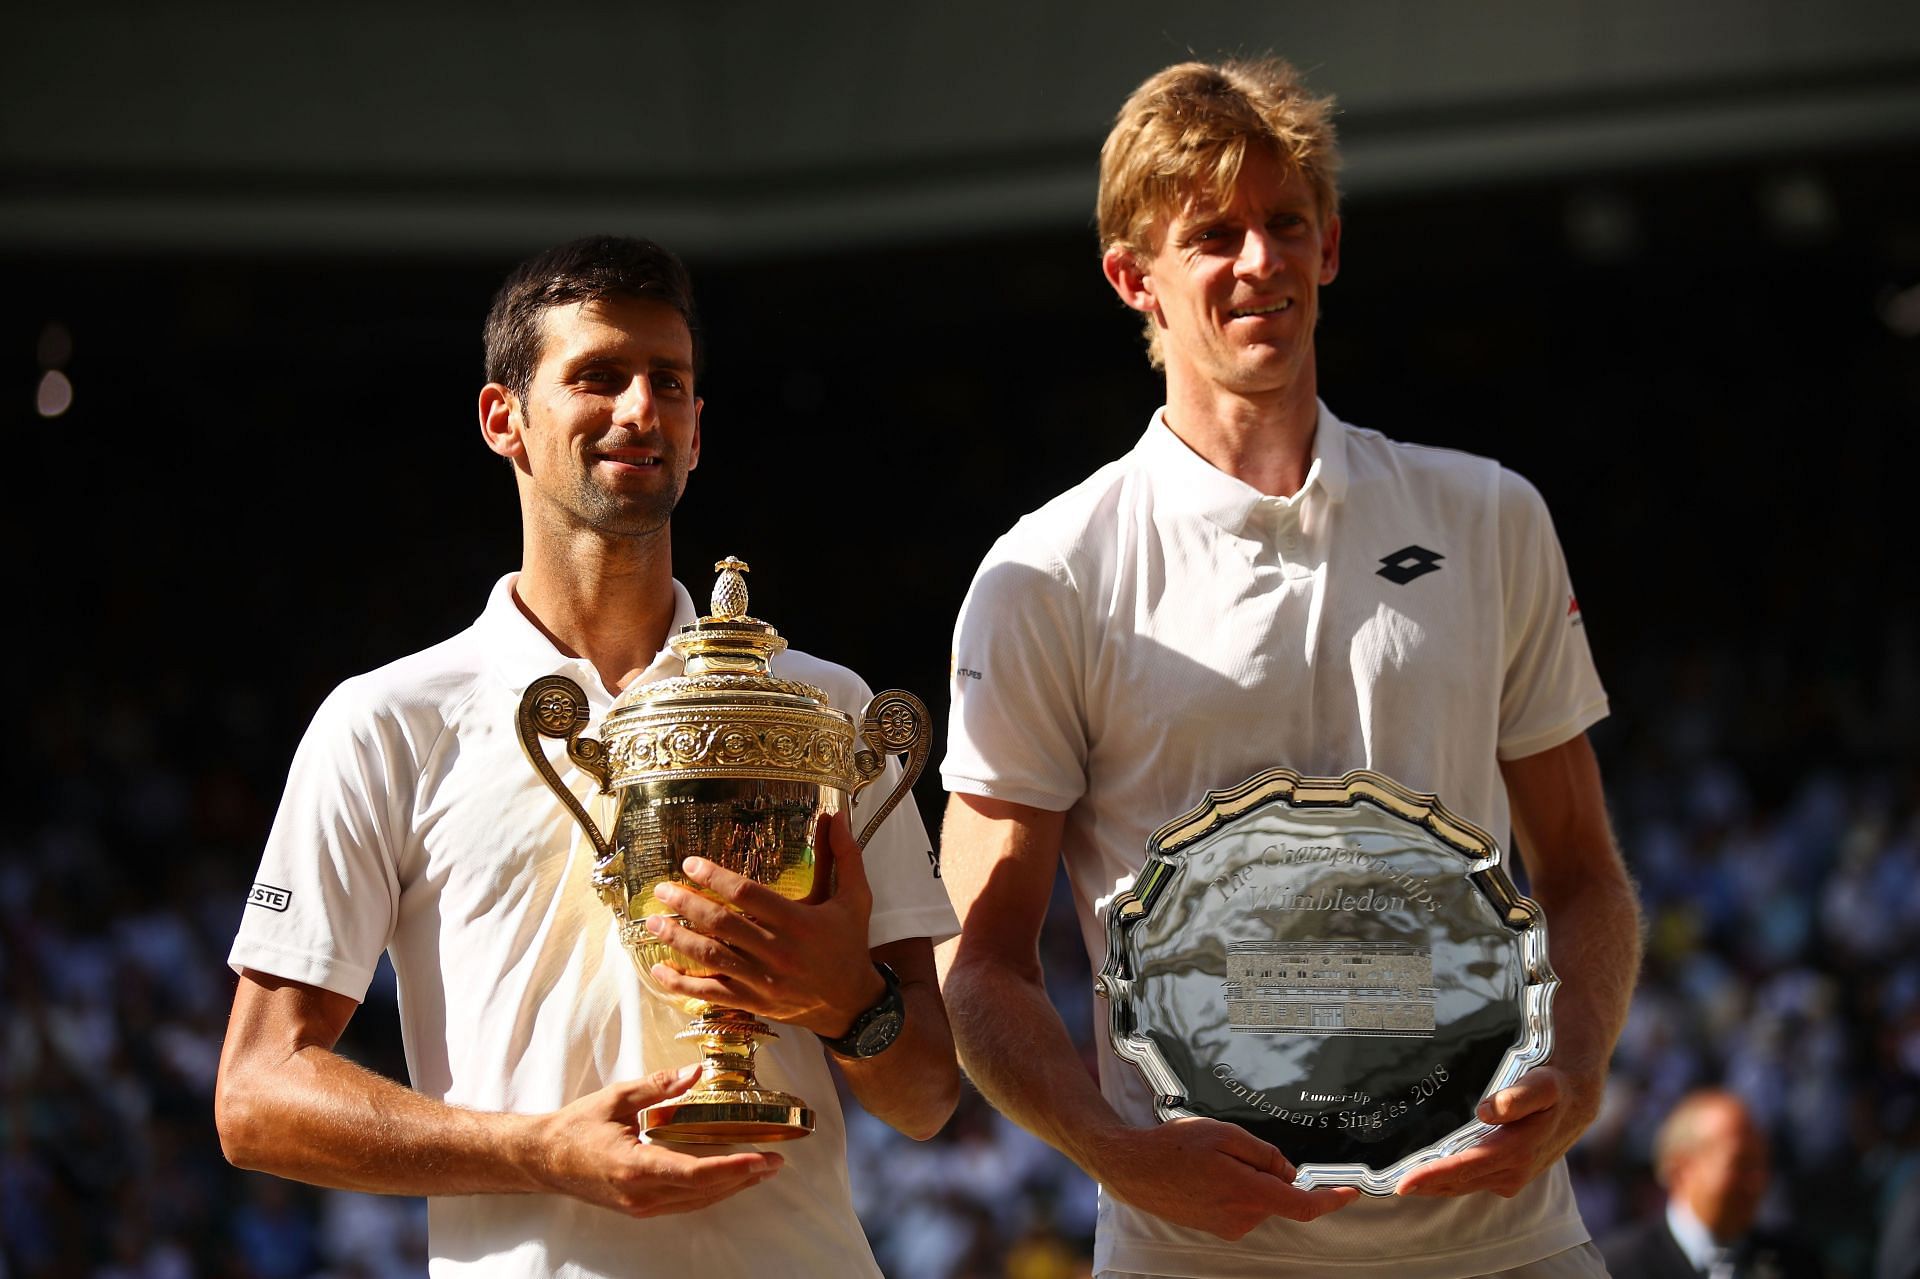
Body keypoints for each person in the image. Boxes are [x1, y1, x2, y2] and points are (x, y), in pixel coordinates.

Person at [937, 57, 1641, 1279]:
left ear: (1328, 250)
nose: (1258, 260)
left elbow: (1583, 875)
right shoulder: (1048, 570)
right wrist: (1120, 1152)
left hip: (1503, 1241)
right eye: (1212, 235)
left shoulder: (1489, 516)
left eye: (1285, 225)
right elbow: (977, 959)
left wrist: (1575, 1069)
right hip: (1201, 1254)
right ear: (1131, 278)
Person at [214, 235, 960, 1277]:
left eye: (671, 382)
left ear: (699, 433)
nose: (640, 409)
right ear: (503, 419)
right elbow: (256, 1097)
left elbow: (926, 1097)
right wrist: (533, 1151)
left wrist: (849, 1001)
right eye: (598, 376)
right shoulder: (385, 721)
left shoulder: (819, 706)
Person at [1597, 1089, 1820, 1278]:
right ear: (1681, 1171)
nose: (1757, 1181)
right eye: (1741, 1165)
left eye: (1762, 1164)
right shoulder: (1613, 1269)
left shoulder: (1797, 1265)